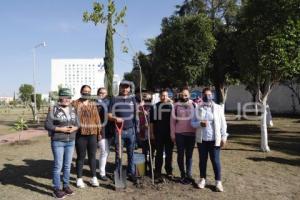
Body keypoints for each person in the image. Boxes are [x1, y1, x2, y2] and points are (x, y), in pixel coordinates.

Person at [191, 87, 228, 192]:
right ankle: (202, 179)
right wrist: (199, 123)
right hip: (202, 140)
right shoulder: (198, 108)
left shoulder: (218, 108)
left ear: (212, 95)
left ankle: (218, 182)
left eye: (209, 95)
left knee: (215, 161)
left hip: (214, 139)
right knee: (202, 161)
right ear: (202, 96)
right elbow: (192, 123)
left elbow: (223, 124)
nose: (207, 97)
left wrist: (224, 137)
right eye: (205, 95)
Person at [45, 88, 79, 199]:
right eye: (64, 97)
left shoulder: (73, 109)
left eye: (68, 97)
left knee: (67, 166)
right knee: (58, 166)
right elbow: (47, 125)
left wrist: (75, 128)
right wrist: (61, 129)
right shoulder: (53, 109)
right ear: (60, 97)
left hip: (71, 141)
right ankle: (56, 189)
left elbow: (78, 123)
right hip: (58, 141)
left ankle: (66, 186)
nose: (66, 99)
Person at [108, 80, 139, 182]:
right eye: (123, 87)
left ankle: (131, 173)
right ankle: (118, 172)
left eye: (127, 87)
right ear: (120, 87)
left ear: (130, 88)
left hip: (131, 131)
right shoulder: (114, 99)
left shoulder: (132, 99)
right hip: (119, 131)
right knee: (118, 154)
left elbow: (136, 113)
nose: (125, 89)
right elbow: (109, 115)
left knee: (131, 153)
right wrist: (116, 118)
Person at [72, 85, 102, 188]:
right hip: (80, 134)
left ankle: (94, 177)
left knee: (92, 157)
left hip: (92, 134)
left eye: (88, 91)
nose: (87, 93)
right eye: (85, 91)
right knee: (81, 157)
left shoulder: (93, 104)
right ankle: (79, 179)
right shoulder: (75, 103)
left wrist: (99, 133)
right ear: (81, 91)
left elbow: (97, 119)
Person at [170, 88, 196, 184]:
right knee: (180, 155)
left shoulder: (194, 104)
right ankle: (182, 174)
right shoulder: (176, 106)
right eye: (182, 95)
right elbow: (172, 121)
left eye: (186, 95)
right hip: (179, 134)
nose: (184, 97)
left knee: (189, 155)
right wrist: (172, 134)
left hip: (191, 135)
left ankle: (189, 175)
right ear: (180, 95)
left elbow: (197, 119)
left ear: (189, 95)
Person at [150, 89, 173, 183]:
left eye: (166, 95)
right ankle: (158, 171)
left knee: (169, 154)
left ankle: (169, 171)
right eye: (162, 95)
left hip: (169, 134)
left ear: (168, 96)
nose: (164, 97)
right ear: (159, 96)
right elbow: (151, 122)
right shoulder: (155, 107)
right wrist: (151, 133)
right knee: (159, 154)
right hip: (158, 134)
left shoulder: (171, 107)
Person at [96, 87, 114, 181]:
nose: (102, 94)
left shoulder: (110, 102)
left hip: (109, 130)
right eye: (100, 92)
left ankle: (103, 170)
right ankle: (102, 173)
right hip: (100, 130)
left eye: (104, 93)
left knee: (106, 152)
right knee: (104, 151)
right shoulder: (95, 103)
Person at [138, 92, 154, 176]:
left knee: (151, 152)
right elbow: (137, 115)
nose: (147, 101)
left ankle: (151, 168)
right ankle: (144, 168)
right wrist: (140, 106)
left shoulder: (153, 107)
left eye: (149, 99)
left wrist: (150, 124)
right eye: (145, 99)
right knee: (144, 152)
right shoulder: (140, 107)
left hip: (151, 133)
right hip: (143, 132)